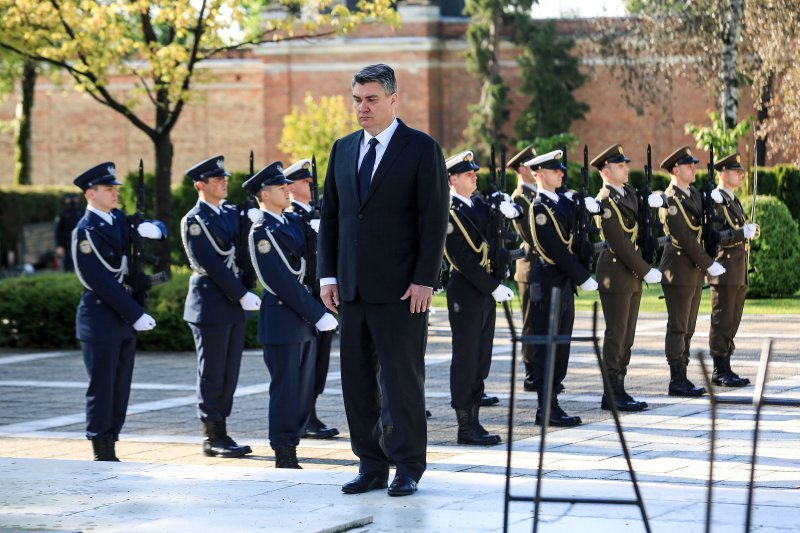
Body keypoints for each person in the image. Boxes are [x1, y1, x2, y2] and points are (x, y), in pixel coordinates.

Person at [317, 63, 449, 497]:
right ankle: (370, 465)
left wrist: (424, 280)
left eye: (371, 99)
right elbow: (332, 217)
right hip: (351, 289)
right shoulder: (342, 148)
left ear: (394, 100)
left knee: (402, 382)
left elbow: (434, 219)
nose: (362, 108)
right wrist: (328, 276)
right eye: (356, 99)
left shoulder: (420, 148)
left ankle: (408, 465)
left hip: (402, 291)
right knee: (356, 383)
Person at [243, 161, 338, 468]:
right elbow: (280, 281)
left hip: (304, 320)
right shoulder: (262, 232)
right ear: (264, 194)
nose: (288, 190)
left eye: (287, 186)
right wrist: (316, 312)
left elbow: (311, 267)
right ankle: (284, 450)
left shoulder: (292, 223)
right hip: (283, 320)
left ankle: (294, 440)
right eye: (280, 187)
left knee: (302, 389)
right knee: (286, 389)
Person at [71, 162, 164, 461]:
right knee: (103, 386)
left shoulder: (119, 221)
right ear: (90, 193)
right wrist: (135, 312)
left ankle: (113, 439)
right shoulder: (85, 232)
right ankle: (101, 446)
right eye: (108, 189)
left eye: (115, 189)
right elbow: (99, 281)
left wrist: (156, 230)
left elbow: (155, 226)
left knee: (121, 387)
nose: (115, 194)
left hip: (123, 319)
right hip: (100, 318)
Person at [181, 155, 261, 458]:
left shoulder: (231, 213)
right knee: (212, 372)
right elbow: (211, 263)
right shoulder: (195, 220)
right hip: (209, 305)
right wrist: (241, 293)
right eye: (217, 179)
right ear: (201, 184)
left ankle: (223, 430)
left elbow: (242, 253)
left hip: (232, 304)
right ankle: (211, 435)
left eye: (225, 178)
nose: (224, 183)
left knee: (230, 372)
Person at [444, 150, 521, 446]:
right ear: (452, 179)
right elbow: (462, 258)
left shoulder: (479, 205)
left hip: (485, 292)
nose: (474, 176)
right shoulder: (449, 212)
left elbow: (496, 240)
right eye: (467, 174)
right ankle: (465, 425)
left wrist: (502, 208)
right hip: (466, 291)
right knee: (466, 358)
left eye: (475, 172)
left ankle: (475, 419)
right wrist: (492, 287)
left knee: (481, 358)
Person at [526, 150, 599, 427]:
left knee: (562, 346)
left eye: (561, 170)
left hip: (564, 283)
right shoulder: (540, 208)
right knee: (548, 347)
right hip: (547, 283)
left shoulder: (563, 202)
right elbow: (554, 248)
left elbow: (579, 234)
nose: (561, 173)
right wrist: (582, 276)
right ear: (540, 174)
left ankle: (554, 402)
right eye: (555, 170)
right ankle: (545, 408)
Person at [591, 144, 663, 412]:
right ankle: (611, 392)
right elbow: (619, 243)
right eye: (620, 165)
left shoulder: (629, 193)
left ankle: (619, 387)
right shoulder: (605, 201)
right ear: (606, 171)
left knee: (628, 336)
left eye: (625, 164)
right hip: (615, 272)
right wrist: (645, 270)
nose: (626, 168)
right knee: (616, 334)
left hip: (630, 274)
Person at [658, 146, 726, 397]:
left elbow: (703, 228)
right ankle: (677, 378)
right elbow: (685, 237)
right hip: (678, 269)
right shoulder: (670, 199)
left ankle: (683, 375)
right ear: (676, 169)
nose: (694, 168)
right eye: (689, 166)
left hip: (694, 270)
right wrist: (709, 263)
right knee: (678, 326)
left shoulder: (695, 194)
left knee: (689, 326)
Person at [285, 158, 339, 439]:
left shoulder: (318, 213)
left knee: (320, 361)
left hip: (324, 296)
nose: (310, 185)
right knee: (306, 360)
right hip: (307, 296)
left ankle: (312, 411)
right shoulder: (292, 216)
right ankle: (302, 415)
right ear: (291, 186)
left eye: (310, 181)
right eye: (305, 181)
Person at [708, 152, 757, 387]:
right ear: (723, 174)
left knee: (732, 320)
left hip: (739, 270)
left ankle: (727, 365)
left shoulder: (733, 200)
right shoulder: (716, 201)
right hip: (724, 269)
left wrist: (748, 231)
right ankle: (719, 369)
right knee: (722, 320)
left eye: (741, 171)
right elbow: (716, 237)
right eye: (736, 171)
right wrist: (741, 234)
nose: (741, 175)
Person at [507, 145, 538, 392]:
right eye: (532, 165)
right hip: (529, 269)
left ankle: (540, 369)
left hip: (542, 269)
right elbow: (530, 234)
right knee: (531, 322)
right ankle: (531, 371)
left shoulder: (537, 195)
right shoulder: (519, 198)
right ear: (521, 169)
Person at [56, 193, 84, 272]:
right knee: (68, 265)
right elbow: (59, 231)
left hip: (81, 241)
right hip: (67, 243)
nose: (72, 201)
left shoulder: (82, 212)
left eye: (74, 199)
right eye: (69, 199)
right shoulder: (63, 214)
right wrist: (59, 245)